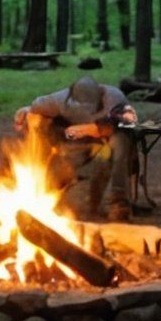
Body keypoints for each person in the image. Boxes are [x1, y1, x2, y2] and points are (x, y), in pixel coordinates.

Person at [13, 75, 138, 221]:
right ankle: (38, 189)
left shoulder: (114, 98)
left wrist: (93, 128)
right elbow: (34, 108)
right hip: (76, 143)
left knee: (120, 143)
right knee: (38, 124)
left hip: (107, 141)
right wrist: (27, 111)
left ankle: (118, 202)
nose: (88, 111)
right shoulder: (59, 100)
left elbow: (129, 121)